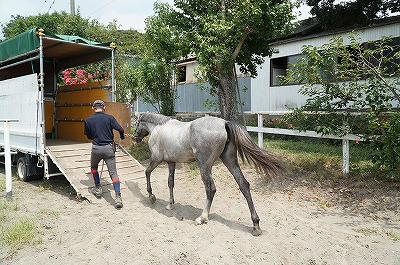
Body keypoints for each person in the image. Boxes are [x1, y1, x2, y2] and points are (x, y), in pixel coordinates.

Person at [84, 99, 125, 209]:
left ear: (93, 108)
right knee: (113, 173)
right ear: (104, 107)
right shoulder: (110, 118)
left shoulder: (88, 120)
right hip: (109, 149)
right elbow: (120, 129)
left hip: (96, 149)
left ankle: (98, 188)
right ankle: (117, 197)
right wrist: (122, 136)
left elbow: (88, 136)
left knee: (93, 167)